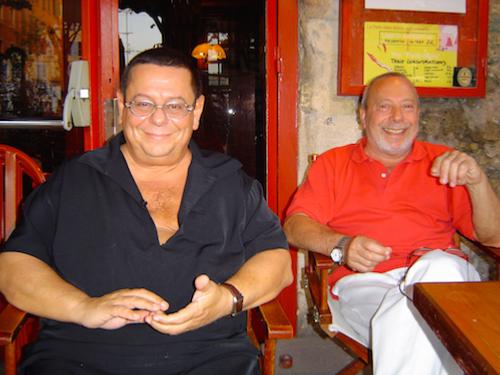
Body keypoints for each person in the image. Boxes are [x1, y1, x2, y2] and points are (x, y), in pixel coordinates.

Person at [0, 47, 293, 375]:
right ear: (121, 105)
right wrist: (83, 307)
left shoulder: (231, 183)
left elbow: (278, 262)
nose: (158, 118)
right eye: (143, 103)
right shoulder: (74, 180)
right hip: (79, 356)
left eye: (174, 106)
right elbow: (13, 266)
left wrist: (227, 300)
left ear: (196, 112)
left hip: (212, 358)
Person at [284, 72, 500, 374]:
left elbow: (495, 237)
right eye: (384, 106)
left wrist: (478, 181)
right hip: (365, 284)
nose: (398, 118)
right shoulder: (333, 165)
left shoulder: (445, 164)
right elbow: (295, 225)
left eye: (408, 107)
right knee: (424, 317)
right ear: (363, 115)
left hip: (441, 278)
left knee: (438, 270)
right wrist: (342, 245)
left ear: (419, 114)